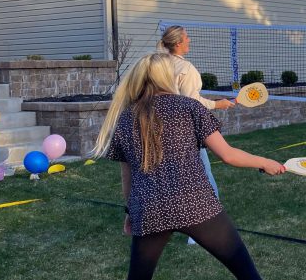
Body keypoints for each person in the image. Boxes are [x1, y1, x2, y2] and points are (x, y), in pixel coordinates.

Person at [93, 52, 285, 280]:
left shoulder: (126, 117)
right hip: (196, 203)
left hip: (148, 209)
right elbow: (228, 155)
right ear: (168, 76)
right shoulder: (189, 107)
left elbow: (128, 175)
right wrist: (264, 162)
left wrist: (131, 211)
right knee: (248, 275)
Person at [158, 27, 233, 193]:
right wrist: (217, 104)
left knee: (168, 175)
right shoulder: (186, 69)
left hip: (160, 127)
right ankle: (212, 210)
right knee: (203, 174)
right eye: (187, 37)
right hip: (185, 130)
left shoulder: (158, 64)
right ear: (178, 43)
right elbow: (191, 103)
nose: (189, 40)